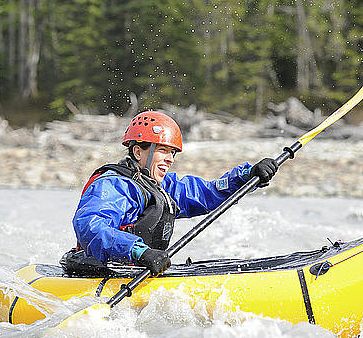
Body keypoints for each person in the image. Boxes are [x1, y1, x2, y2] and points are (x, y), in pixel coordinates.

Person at [70, 111, 278, 276]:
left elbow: (207, 193)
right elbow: (90, 226)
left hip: (137, 271)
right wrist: (139, 251)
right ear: (138, 152)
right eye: (162, 150)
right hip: (101, 272)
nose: (170, 159)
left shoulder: (162, 186)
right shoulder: (112, 186)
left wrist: (247, 176)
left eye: (172, 153)